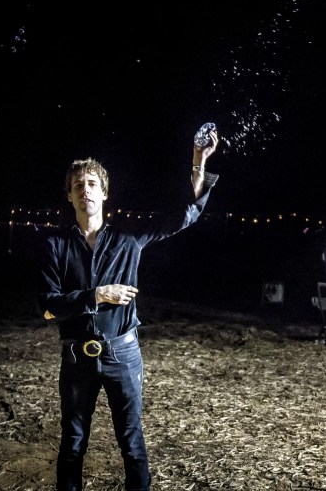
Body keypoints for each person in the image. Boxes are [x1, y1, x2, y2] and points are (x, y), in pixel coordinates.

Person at [37, 128, 220, 491]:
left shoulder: (128, 237)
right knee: (72, 444)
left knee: (131, 442)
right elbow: (48, 307)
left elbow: (182, 216)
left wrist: (198, 164)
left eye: (92, 183)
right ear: (69, 195)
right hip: (76, 359)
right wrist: (97, 294)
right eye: (78, 185)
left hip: (123, 354)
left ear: (104, 192)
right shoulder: (55, 245)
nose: (85, 190)